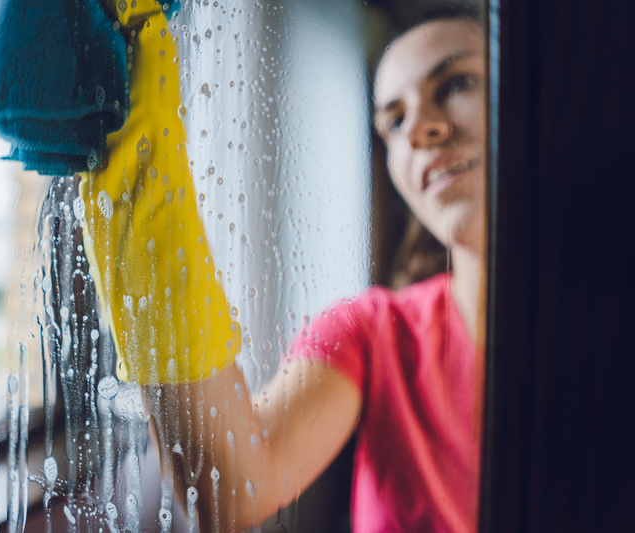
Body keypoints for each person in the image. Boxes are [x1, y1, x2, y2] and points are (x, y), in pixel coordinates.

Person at [139, 6, 488, 533]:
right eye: (394, 120)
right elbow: (229, 489)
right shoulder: (371, 332)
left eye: (457, 82)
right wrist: (135, 165)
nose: (419, 129)